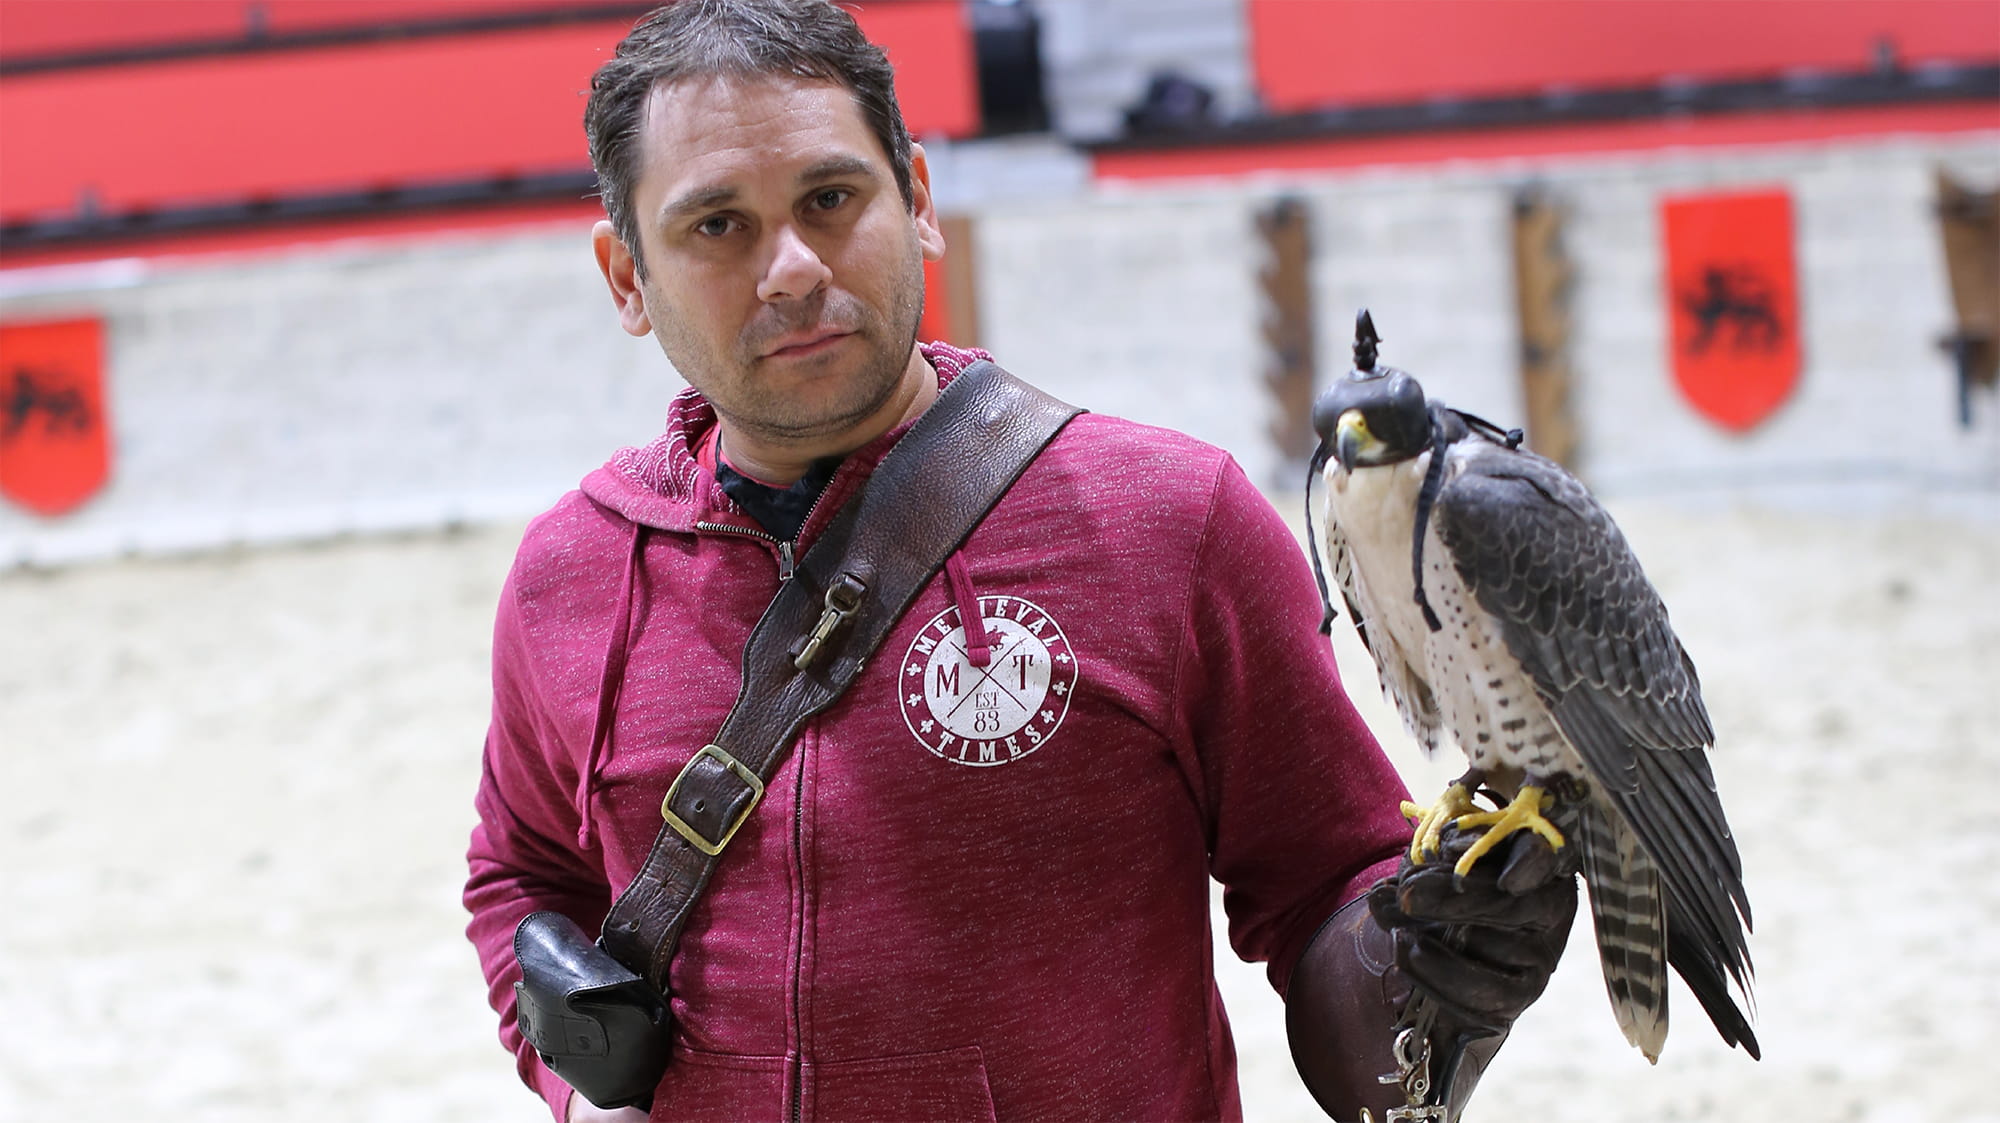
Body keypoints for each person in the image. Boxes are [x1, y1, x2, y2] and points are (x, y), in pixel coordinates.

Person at [462, 2, 1577, 1121]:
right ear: (624, 277)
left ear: (918, 202)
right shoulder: (571, 570)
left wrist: (1422, 975)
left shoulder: (1168, 522)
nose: (792, 267)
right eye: (717, 226)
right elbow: (521, 877)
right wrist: (575, 1074)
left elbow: (1327, 880)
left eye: (830, 199)